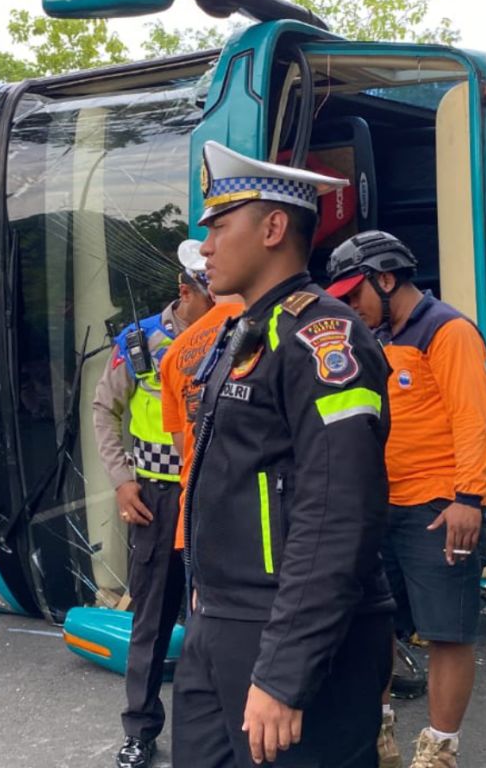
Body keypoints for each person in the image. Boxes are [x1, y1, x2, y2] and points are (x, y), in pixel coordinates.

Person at [172, 141, 394, 767]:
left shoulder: (324, 336)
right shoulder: (246, 330)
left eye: (219, 225)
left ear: (272, 227)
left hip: (286, 629)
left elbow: (338, 512)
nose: (206, 246)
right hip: (222, 618)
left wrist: (285, 672)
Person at [325, 231, 486, 768]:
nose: (350, 305)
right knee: (375, 626)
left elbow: (473, 420)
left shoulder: (447, 332)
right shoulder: (374, 336)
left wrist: (469, 498)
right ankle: (379, 735)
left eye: (357, 293)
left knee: (447, 633)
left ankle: (439, 750)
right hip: (380, 508)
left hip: (437, 511)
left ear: (388, 277)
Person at [93, 250, 215, 768]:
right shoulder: (141, 343)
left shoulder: (231, 334)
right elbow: (105, 408)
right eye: (213, 297)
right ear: (186, 291)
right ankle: (140, 729)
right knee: (151, 621)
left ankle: (207, 729)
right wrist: (122, 481)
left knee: (211, 620)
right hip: (158, 499)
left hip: (213, 495)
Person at [159, 241, 244, 554]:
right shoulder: (278, 324)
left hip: (198, 514)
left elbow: (183, 444)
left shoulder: (174, 353)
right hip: (261, 518)